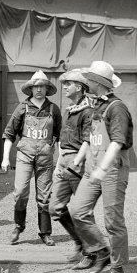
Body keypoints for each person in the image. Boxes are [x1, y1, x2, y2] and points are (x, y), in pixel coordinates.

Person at [68, 61, 133, 273]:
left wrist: (102, 168)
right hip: (92, 168)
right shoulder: (97, 107)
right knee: (77, 210)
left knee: (113, 221)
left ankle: (118, 267)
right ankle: (101, 251)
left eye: (90, 79)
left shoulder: (117, 108)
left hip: (112, 169)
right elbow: (90, 139)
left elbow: (117, 141)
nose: (86, 82)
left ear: (99, 83)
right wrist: (80, 160)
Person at [1, 70, 62, 246]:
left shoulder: (53, 109)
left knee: (44, 197)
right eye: (36, 86)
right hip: (25, 155)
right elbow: (9, 134)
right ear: (31, 88)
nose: (39, 89)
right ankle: (18, 226)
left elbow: (58, 137)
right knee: (20, 192)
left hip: (45, 158)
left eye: (42, 86)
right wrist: (5, 158)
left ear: (46, 88)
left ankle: (45, 232)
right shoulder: (22, 108)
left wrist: (59, 161)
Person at [48, 68, 93, 263]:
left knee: (81, 210)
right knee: (55, 207)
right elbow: (62, 140)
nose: (64, 87)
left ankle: (91, 251)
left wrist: (75, 163)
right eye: (64, 83)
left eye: (68, 84)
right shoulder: (68, 110)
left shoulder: (87, 111)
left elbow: (88, 141)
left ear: (80, 87)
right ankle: (80, 242)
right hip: (64, 161)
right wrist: (59, 163)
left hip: (78, 163)